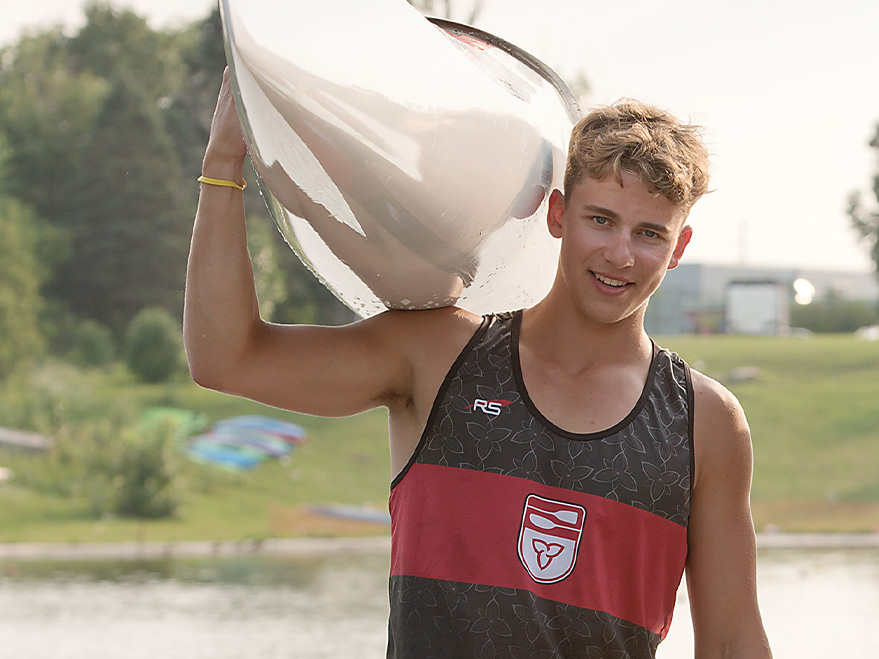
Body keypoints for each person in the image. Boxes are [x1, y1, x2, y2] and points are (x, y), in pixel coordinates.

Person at [185, 68, 772, 658]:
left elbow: (731, 642)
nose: (620, 254)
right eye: (601, 220)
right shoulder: (438, 355)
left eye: (649, 233)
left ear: (680, 249)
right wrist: (224, 162)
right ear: (559, 215)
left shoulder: (704, 420)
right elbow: (227, 358)